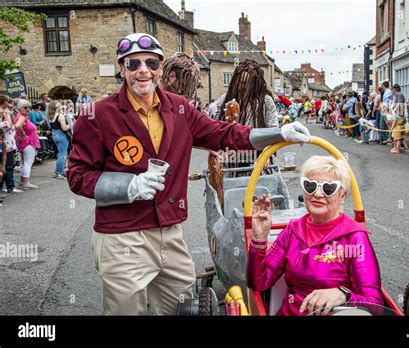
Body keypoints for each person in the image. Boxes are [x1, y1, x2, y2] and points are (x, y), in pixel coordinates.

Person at [66, 33, 311, 315]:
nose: (142, 70)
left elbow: (224, 133)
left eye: (150, 62)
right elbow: (77, 175)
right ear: (122, 69)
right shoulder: (97, 114)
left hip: (169, 232)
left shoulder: (179, 108)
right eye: (133, 64)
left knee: (184, 308)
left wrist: (278, 133)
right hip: (122, 236)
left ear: (160, 68)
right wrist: (129, 186)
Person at [247, 155, 383, 316]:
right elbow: (259, 283)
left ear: (342, 196)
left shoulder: (354, 238)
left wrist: (343, 294)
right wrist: (259, 239)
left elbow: (375, 305)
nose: (318, 194)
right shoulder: (293, 230)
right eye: (310, 186)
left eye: (328, 188)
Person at [14, 99, 40, 189]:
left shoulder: (22, 116)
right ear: (20, 108)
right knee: (28, 162)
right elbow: (17, 126)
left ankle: (22, 181)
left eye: (29, 107)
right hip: (27, 142)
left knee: (26, 162)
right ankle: (25, 182)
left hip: (26, 142)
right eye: (25, 107)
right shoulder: (22, 117)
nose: (28, 109)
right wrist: (22, 133)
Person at [48, 100, 71, 179]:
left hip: (54, 134)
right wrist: (71, 125)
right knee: (63, 155)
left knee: (60, 153)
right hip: (61, 135)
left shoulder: (51, 116)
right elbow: (64, 128)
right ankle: (61, 173)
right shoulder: (60, 116)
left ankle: (56, 171)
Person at [389, 84, 407, 154]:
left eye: (392, 89)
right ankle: (396, 147)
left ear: (394, 89)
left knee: (397, 133)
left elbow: (400, 107)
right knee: (396, 133)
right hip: (397, 116)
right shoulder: (396, 96)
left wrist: (396, 117)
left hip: (399, 117)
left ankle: (397, 149)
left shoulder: (399, 95)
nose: (391, 91)